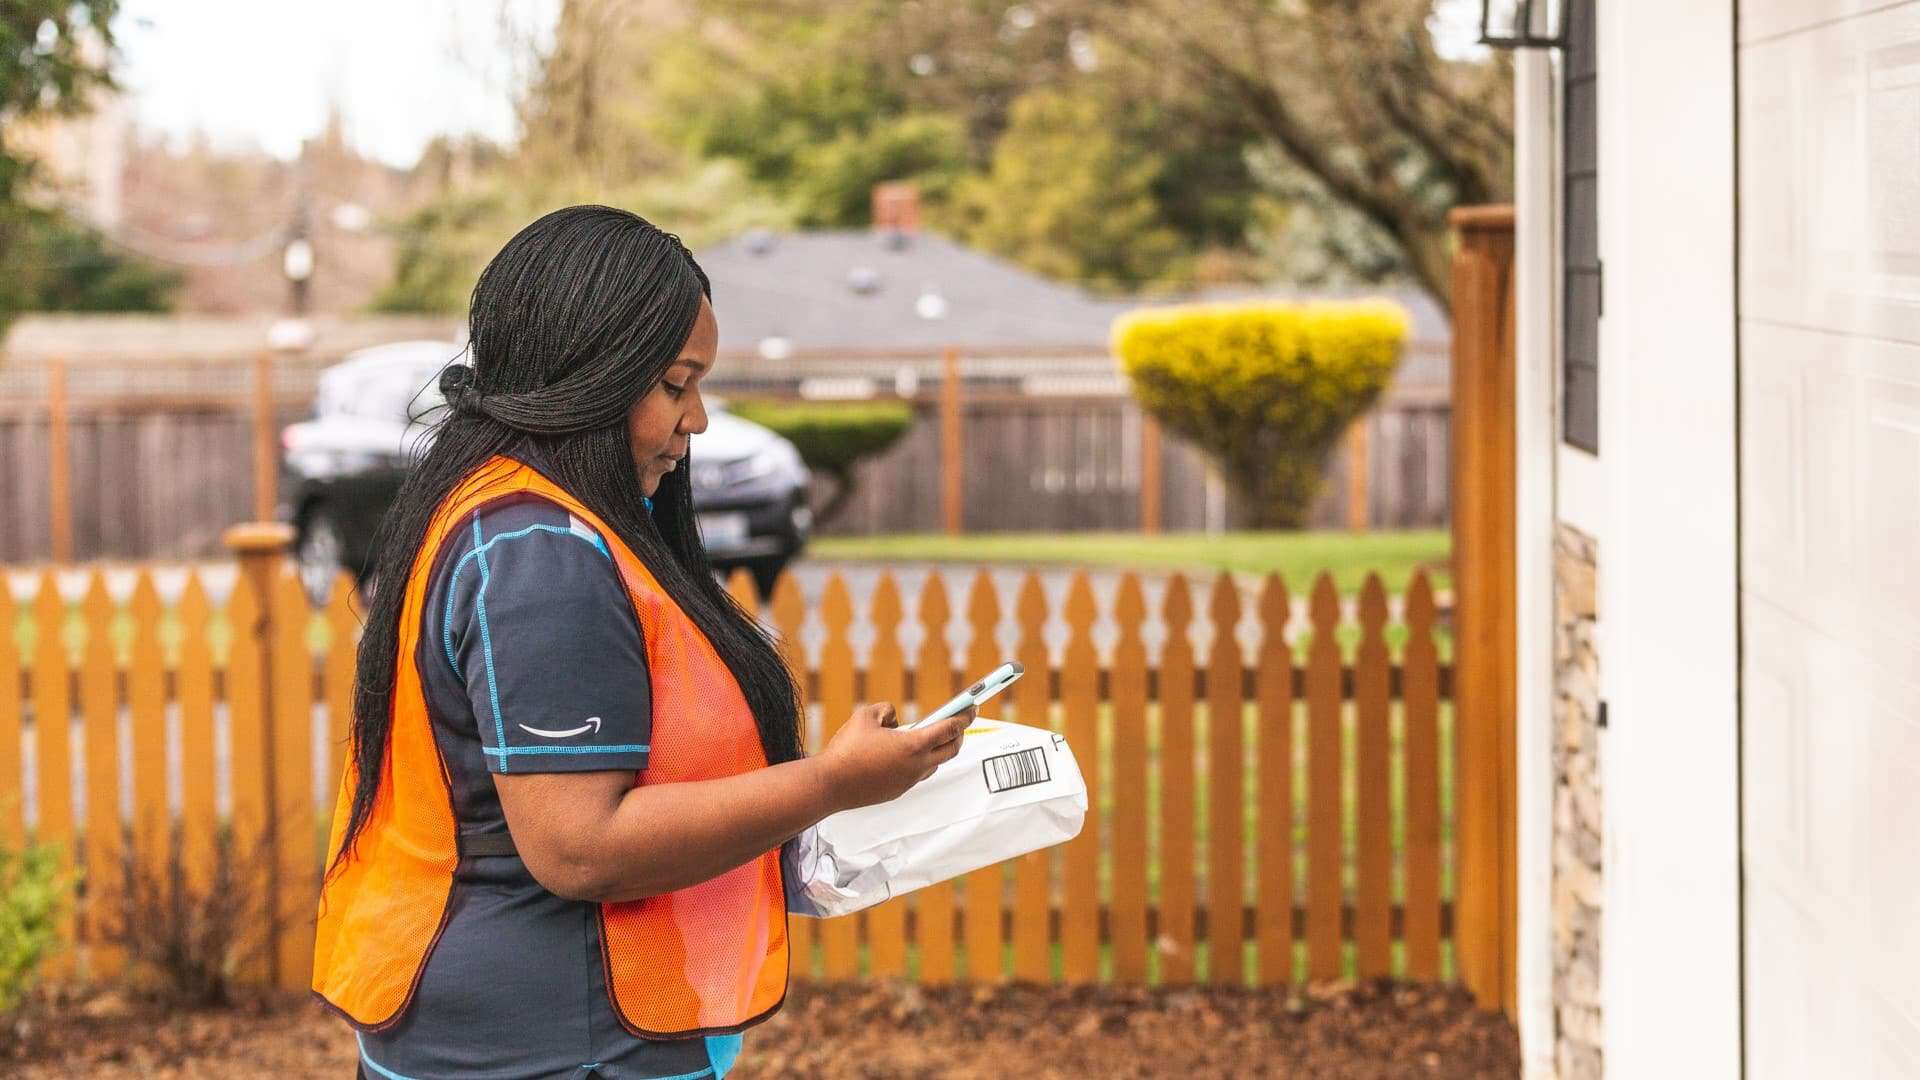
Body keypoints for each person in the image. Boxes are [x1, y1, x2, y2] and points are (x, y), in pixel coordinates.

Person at [312, 205, 971, 1080]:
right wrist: (831, 784)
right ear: (591, 373)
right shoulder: (538, 552)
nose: (696, 419)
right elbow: (581, 847)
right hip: (549, 1046)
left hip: (506, 1029)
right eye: (673, 383)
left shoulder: (502, 508)